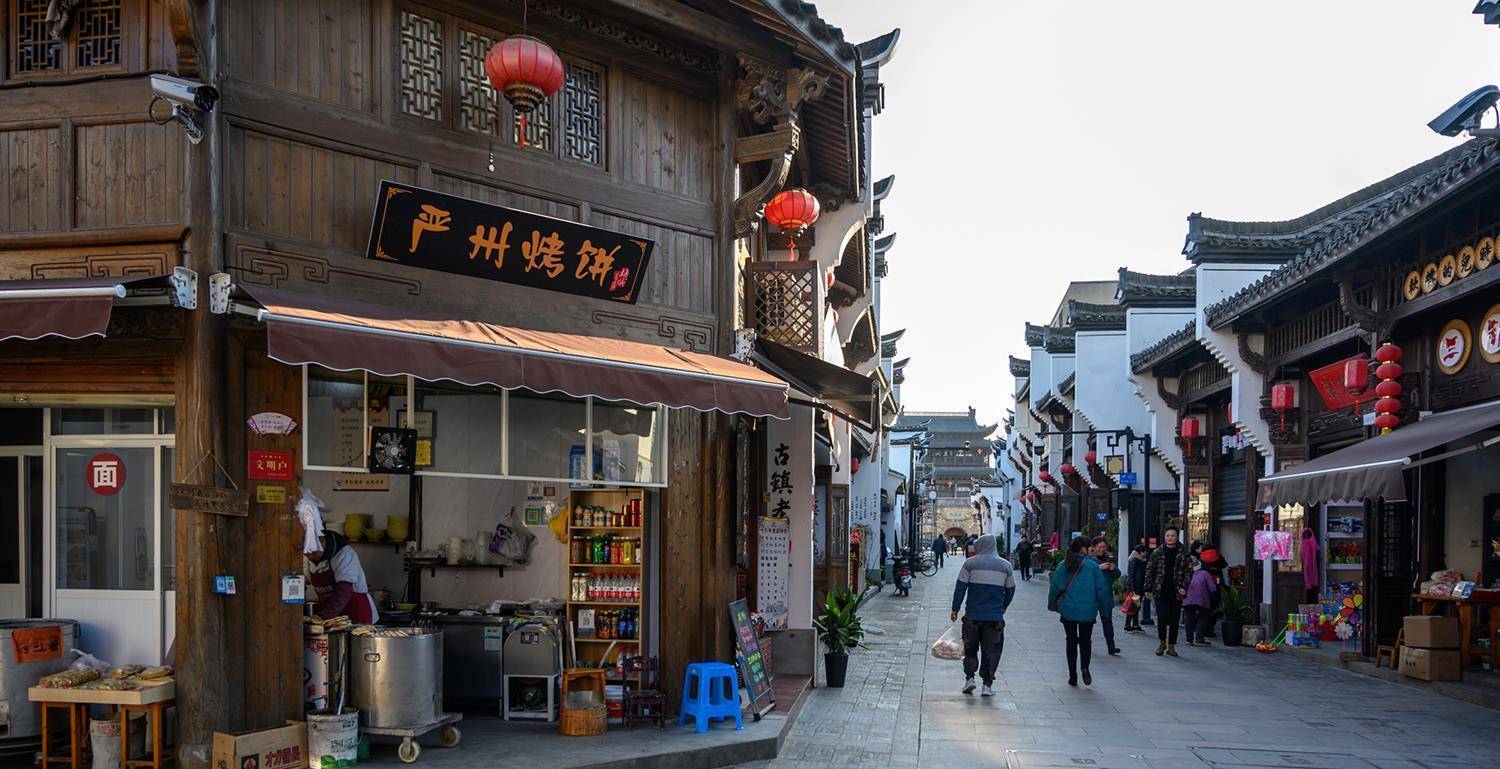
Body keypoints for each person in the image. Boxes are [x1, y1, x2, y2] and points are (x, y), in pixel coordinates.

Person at [297, 488, 378, 624]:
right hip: (332, 618)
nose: (309, 554)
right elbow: (300, 585)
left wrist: (322, 616)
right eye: (305, 550)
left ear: (322, 540)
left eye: (312, 549)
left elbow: (344, 591)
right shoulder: (306, 558)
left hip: (358, 615)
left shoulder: (344, 554)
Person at [949, 534, 1017, 696]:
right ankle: (987, 685)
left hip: (972, 616)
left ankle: (970, 679)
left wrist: (955, 609)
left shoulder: (970, 563)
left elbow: (960, 588)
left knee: (970, 648)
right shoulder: (1005, 566)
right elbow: (1010, 590)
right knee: (991, 650)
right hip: (994, 618)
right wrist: (1003, 606)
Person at [1048, 536, 1114, 686]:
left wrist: (1052, 604)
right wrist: (1105, 608)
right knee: (1085, 641)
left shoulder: (1064, 565)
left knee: (1071, 641)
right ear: (1084, 548)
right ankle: (1085, 668)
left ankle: (1072, 675)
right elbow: (1102, 591)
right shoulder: (1093, 567)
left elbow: (1055, 587)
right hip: (1088, 610)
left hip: (1068, 609)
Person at [1144, 526, 1193, 657]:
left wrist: (1184, 587)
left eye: (1172, 536)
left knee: (1174, 619)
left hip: (1176, 591)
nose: (1170, 538)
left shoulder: (1183, 553)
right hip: (1160, 589)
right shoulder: (1157, 552)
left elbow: (1189, 571)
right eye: (1167, 535)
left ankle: (1171, 646)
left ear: (1177, 537)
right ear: (1164, 537)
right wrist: (1147, 588)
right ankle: (1162, 642)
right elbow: (1149, 570)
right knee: (1162, 616)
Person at [1088, 536, 1122, 656]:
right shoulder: (1089, 560)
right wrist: (1098, 568)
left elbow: (1117, 575)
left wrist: (1113, 569)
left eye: (1103, 547)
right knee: (1089, 621)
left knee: (1107, 621)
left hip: (1105, 596)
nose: (1102, 549)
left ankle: (1111, 646)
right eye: (1099, 547)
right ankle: (1086, 643)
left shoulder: (1108, 558)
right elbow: (1085, 575)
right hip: (1092, 595)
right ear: (1093, 547)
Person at [1182, 553, 1219, 646]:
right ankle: (1199, 638)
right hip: (1202, 600)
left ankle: (1188, 639)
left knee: (1188, 618)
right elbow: (1212, 588)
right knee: (1203, 617)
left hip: (1187, 600)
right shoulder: (1205, 574)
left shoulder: (1185, 575)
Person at [1127, 544, 1152, 628]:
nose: (1146, 553)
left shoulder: (1139, 559)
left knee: (1136, 606)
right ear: (1141, 552)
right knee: (1133, 606)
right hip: (1136, 587)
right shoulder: (1135, 559)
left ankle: (1134, 624)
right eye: (1145, 551)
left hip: (1138, 586)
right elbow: (1131, 574)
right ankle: (1128, 624)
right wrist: (1132, 588)